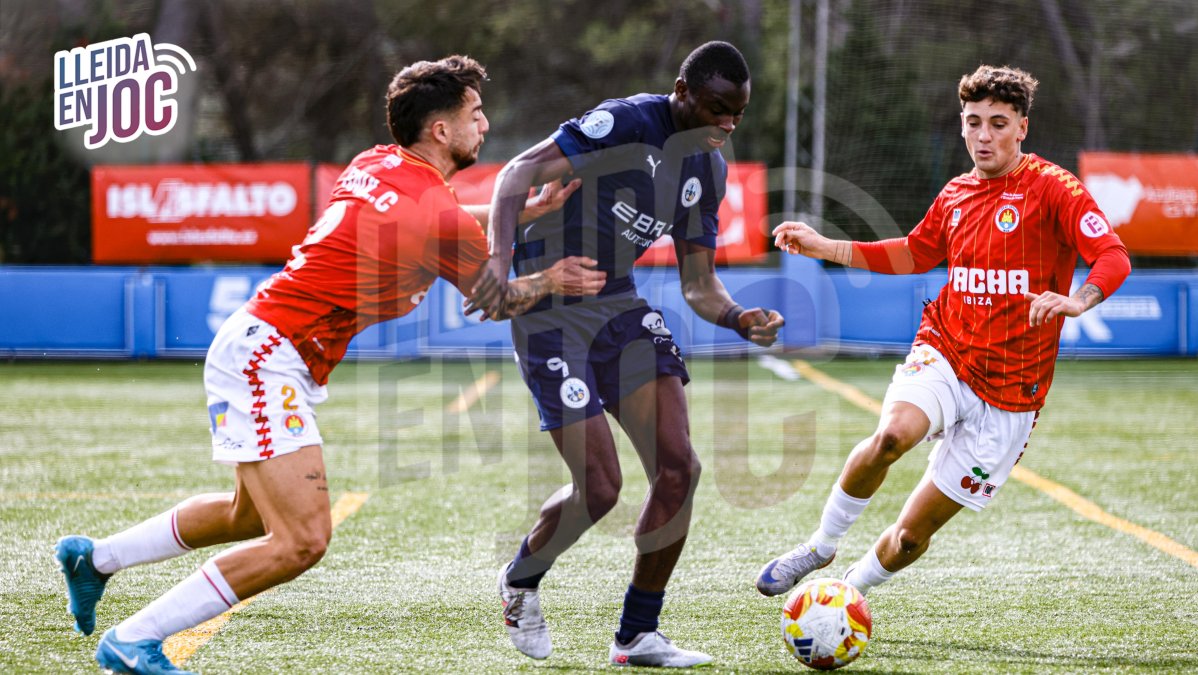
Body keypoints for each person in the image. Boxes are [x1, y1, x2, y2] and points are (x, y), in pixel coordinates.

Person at [54, 55, 605, 675]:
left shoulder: (376, 162)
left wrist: (520, 214)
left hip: (260, 343)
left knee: (248, 515)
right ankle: (134, 639)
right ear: (441, 131)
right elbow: (496, 299)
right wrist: (553, 277)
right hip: (269, 356)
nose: (485, 123)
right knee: (302, 541)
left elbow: (436, 223)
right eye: (475, 114)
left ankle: (93, 560)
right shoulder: (436, 210)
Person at [758, 65, 1130, 600]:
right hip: (948, 351)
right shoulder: (956, 193)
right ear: (961, 124)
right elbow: (915, 251)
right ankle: (820, 546)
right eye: (974, 122)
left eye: (998, 123)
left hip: (1012, 395)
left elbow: (1112, 256)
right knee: (891, 436)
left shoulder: (1053, 189)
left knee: (909, 537)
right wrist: (827, 247)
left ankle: (846, 594)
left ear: (1023, 127)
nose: (984, 136)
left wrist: (1079, 299)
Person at [469, 41, 784, 668]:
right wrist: (500, 271)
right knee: (601, 488)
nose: (727, 124)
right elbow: (514, 176)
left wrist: (737, 316)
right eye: (717, 109)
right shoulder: (628, 122)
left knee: (679, 469)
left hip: (619, 305)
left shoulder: (709, 171)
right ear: (682, 92)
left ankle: (637, 634)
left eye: (738, 115)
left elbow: (698, 283)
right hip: (550, 308)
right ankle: (521, 580)